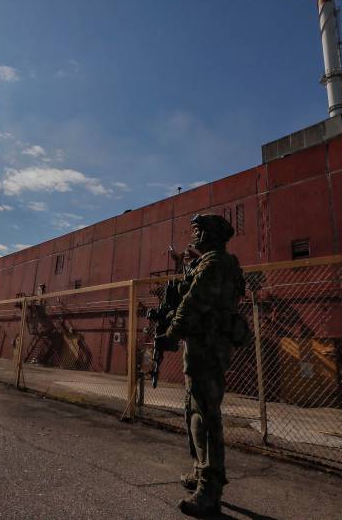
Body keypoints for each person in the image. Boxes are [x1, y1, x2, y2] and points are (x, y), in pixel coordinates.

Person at [155, 214, 245, 517]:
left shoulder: (214, 264)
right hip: (206, 346)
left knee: (207, 415)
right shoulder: (222, 263)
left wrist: (170, 335)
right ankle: (200, 470)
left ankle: (210, 490)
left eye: (198, 231)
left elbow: (193, 303)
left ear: (210, 235)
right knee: (194, 410)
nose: (193, 235)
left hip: (207, 348)